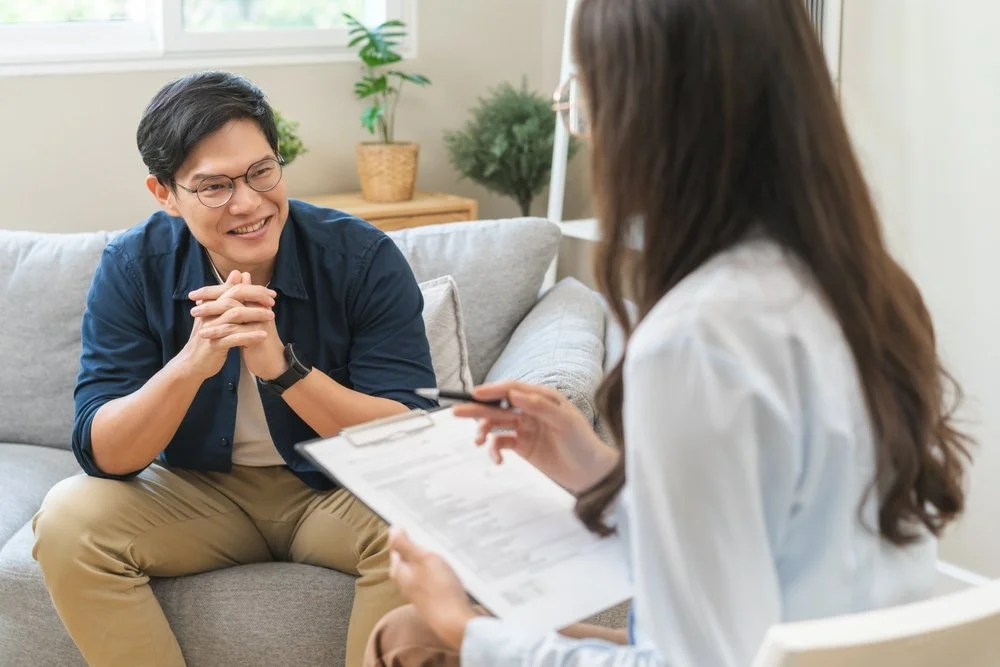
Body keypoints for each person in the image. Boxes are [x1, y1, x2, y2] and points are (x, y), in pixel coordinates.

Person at [363, 0, 974, 665]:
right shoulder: (870, 290)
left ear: (648, 117)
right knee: (412, 632)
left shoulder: (695, 340)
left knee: (414, 637)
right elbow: (776, 533)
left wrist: (467, 628)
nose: (586, 133)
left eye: (587, 100)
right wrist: (599, 470)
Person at [31, 71, 438, 667]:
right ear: (165, 193)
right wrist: (192, 364)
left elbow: (411, 436)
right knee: (68, 520)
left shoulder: (361, 257)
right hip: (198, 494)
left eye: (261, 172)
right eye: (214, 186)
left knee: (432, 518)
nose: (248, 203)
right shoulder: (132, 265)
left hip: (337, 492)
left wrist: (284, 370)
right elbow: (105, 453)